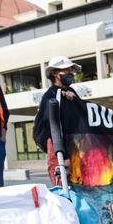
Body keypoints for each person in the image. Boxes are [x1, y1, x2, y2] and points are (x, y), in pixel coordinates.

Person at [33, 56, 82, 186]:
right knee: (62, 187)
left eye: (72, 71)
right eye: (67, 70)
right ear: (55, 73)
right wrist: (63, 157)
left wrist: (75, 100)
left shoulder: (71, 92)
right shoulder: (50, 96)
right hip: (58, 147)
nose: (71, 74)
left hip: (74, 146)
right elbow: (52, 127)